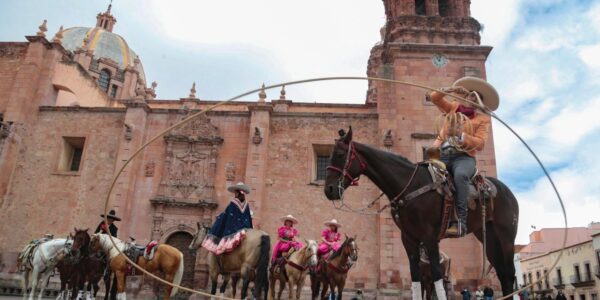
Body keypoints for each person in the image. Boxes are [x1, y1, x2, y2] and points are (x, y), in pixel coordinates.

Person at [428, 76, 499, 237]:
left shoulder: (482, 119)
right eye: (470, 95)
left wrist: (461, 136)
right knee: (424, 172)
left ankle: (461, 221)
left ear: (480, 102)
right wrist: (450, 90)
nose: (471, 98)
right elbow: (434, 98)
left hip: (464, 157)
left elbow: (480, 143)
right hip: (442, 154)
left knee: (460, 176)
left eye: (476, 97)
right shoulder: (453, 108)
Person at [202, 182, 253, 255]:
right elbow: (248, 218)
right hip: (246, 228)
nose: (235, 194)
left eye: (235, 192)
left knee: (220, 224)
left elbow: (227, 215)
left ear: (237, 193)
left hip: (235, 228)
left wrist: (219, 218)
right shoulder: (246, 204)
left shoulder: (233, 203)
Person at [94, 209, 121, 300]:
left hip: (106, 248)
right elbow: (95, 234)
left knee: (108, 259)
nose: (109, 220)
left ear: (113, 220)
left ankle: (106, 271)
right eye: (108, 218)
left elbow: (114, 239)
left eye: (111, 219)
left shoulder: (114, 228)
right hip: (98, 246)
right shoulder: (101, 224)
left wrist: (108, 234)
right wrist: (100, 232)